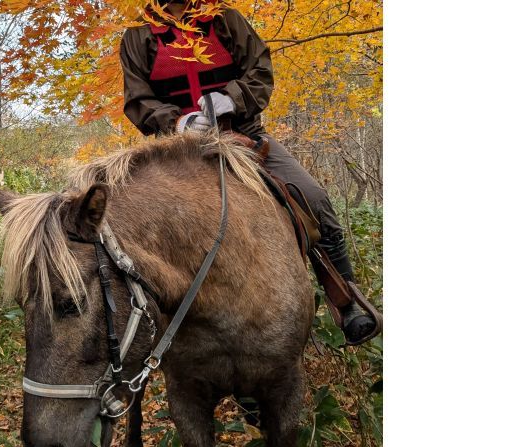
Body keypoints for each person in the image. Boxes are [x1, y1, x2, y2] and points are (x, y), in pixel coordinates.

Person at [119, 0, 379, 344]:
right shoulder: (137, 34)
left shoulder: (225, 18)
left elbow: (259, 68)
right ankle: (132, 332)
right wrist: (177, 122)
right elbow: (138, 98)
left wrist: (232, 98)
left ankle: (347, 301)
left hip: (242, 135)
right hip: (177, 146)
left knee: (314, 198)